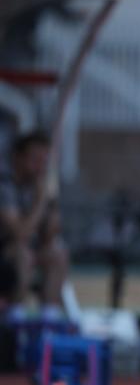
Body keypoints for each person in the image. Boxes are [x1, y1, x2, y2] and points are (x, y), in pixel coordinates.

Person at [0, 131, 68, 322]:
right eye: (34, 159)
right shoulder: (4, 185)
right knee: (23, 255)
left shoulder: (38, 186)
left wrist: (51, 204)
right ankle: (14, 314)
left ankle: (49, 316)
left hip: (27, 248)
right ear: (18, 158)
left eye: (43, 161)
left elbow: (49, 236)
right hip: (6, 253)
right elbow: (20, 233)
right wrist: (40, 202)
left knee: (57, 255)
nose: (39, 166)